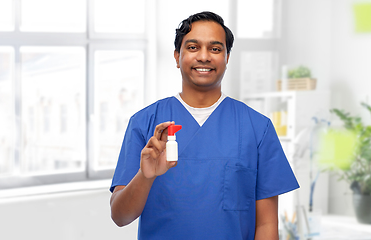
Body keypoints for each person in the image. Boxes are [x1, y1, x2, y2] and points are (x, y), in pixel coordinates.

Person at [110, 11, 299, 240]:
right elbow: (120, 217)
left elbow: (267, 224)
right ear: (177, 56)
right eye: (192, 47)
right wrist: (145, 176)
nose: (204, 56)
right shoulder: (145, 124)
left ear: (227, 58)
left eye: (215, 49)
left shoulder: (258, 128)